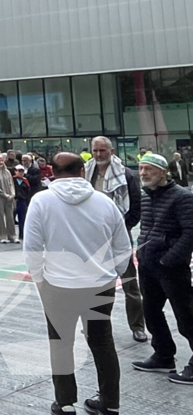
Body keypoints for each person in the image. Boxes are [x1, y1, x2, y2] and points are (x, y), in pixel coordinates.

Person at [24, 152, 130, 415]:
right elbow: (123, 247)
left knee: (60, 342)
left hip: (58, 285)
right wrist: (115, 273)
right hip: (99, 284)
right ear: (83, 171)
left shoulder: (41, 201)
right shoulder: (104, 202)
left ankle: (65, 402)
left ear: (52, 172)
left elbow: (32, 250)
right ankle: (110, 402)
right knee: (102, 342)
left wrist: (39, 280)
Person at [131, 153, 193, 385]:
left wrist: (170, 259)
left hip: (172, 267)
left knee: (186, 315)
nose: (144, 173)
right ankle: (164, 355)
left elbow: (190, 233)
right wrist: (141, 253)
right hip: (148, 265)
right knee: (151, 312)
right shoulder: (146, 196)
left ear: (163, 171)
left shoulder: (182, 197)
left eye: (149, 169)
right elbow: (145, 228)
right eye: (141, 168)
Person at [85, 136, 147, 344]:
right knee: (94, 284)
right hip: (93, 237)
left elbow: (136, 207)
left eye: (102, 150)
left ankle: (138, 327)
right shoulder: (86, 172)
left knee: (130, 284)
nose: (99, 155)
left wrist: (121, 228)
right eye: (95, 151)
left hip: (119, 234)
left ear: (111, 151)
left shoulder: (126, 175)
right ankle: (96, 326)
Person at [0, 152, 17, 243]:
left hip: (9, 196)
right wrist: (4, 194)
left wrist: (12, 194)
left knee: (10, 216)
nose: (0, 162)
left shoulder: (7, 172)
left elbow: (11, 184)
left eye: (2, 160)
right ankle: (1, 236)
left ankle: (12, 235)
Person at [14, 164, 32, 239]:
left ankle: (22, 234)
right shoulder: (12, 179)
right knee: (12, 218)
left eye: (22, 171)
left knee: (22, 219)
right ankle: (12, 235)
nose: (21, 173)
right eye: (19, 171)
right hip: (14, 200)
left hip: (23, 201)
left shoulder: (25, 180)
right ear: (15, 171)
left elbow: (28, 192)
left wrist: (28, 202)